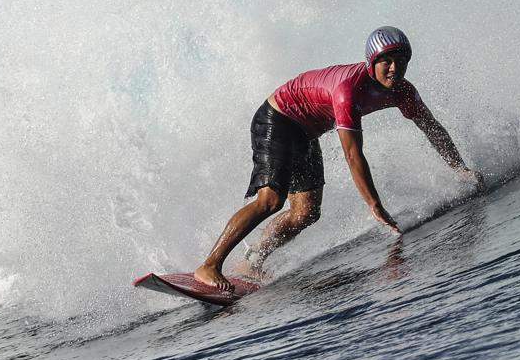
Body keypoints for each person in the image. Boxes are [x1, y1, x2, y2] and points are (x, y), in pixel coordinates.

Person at [191, 26, 481, 292]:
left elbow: (433, 129)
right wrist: (374, 204)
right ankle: (209, 265)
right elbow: (353, 154)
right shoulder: (348, 90)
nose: (395, 68)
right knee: (270, 200)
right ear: (372, 63)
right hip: (277, 120)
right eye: (387, 62)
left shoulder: (403, 91)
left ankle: (253, 260)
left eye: (401, 61)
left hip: (305, 133)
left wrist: (460, 169)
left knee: (305, 213)